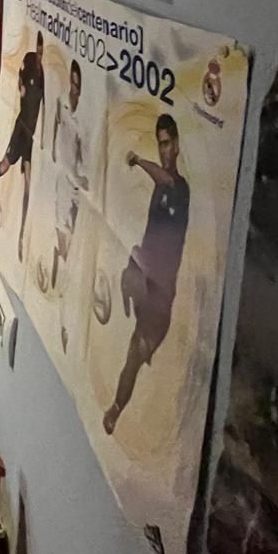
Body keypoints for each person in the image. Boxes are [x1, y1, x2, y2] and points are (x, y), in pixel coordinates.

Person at [103, 114, 191, 435]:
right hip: (144, 278)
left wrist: (138, 160)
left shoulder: (180, 189)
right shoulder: (159, 191)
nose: (164, 150)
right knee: (131, 260)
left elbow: (165, 179)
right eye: (160, 145)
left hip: (160, 297)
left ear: (176, 145)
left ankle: (116, 409)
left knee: (135, 354)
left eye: (167, 143)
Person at [0, 33, 46, 260]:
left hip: (32, 135)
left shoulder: (44, 75)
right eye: (39, 49)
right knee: (5, 164)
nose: (40, 53)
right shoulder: (30, 62)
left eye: (42, 50)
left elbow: (45, 104)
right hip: (22, 127)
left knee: (28, 184)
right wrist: (21, 87)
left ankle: (22, 236)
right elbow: (20, 79)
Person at [45, 61, 87, 292]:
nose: (75, 90)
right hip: (63, 172)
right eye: (73, 84)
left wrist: (82, 177)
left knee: (72, 226)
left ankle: (61, 257)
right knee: (62, 221)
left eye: (78, 86)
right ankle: (62, 270)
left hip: (75, 178)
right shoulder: (63, 102)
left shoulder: (82, 117)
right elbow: (55, 121)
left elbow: (81, 148)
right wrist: (52, 146)